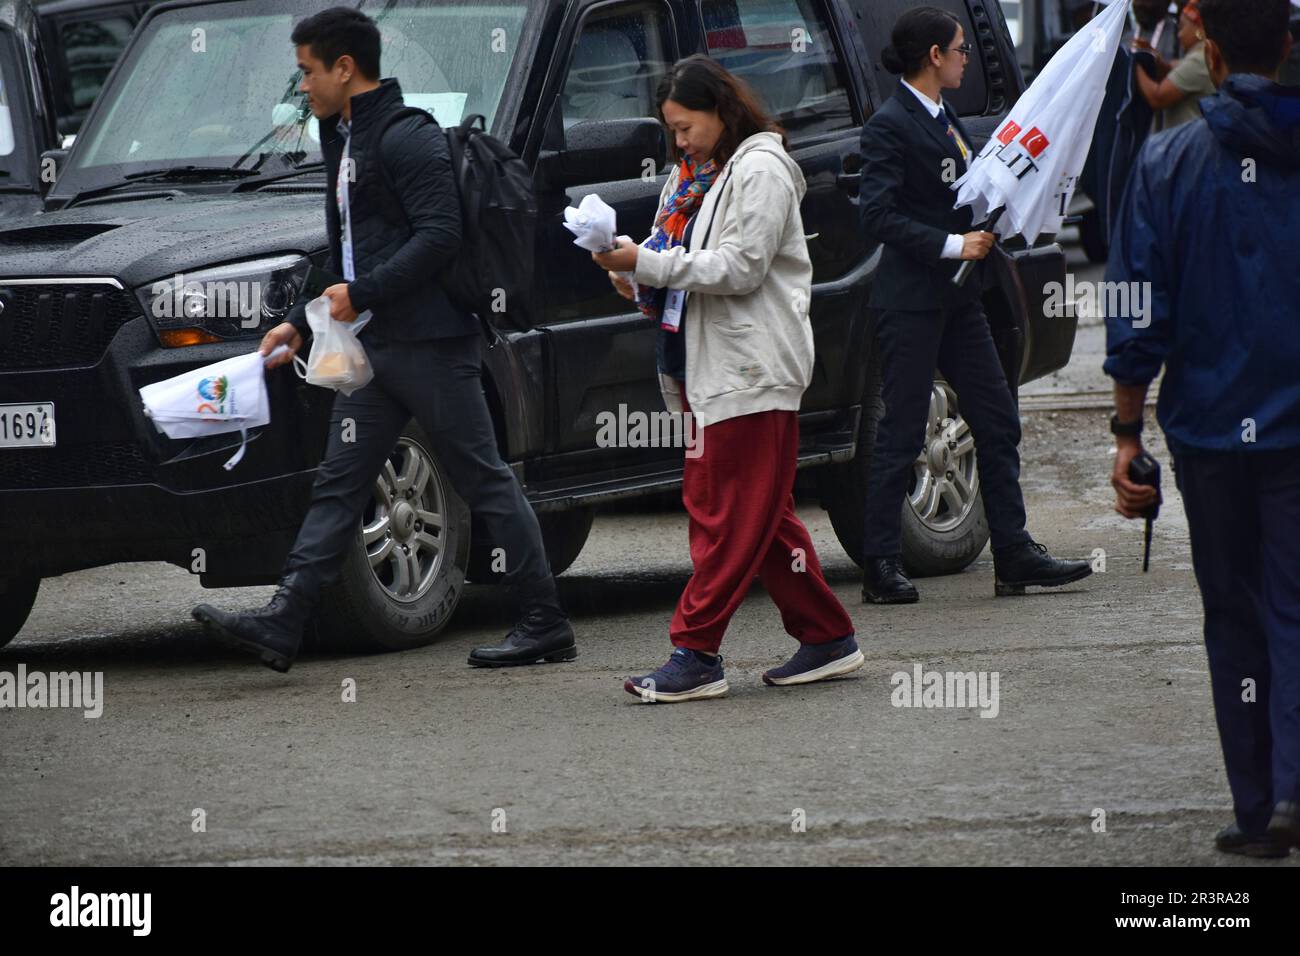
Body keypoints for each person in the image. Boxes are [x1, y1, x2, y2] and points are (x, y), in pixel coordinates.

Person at [193, 8, 576, 672]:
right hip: (375, 354)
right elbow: (346, 248)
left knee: (483, 479)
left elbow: (441, 234)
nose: (301, 86)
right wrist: (296, 319)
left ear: (346, 68)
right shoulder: (343, 137)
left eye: (308, 71)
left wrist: (362, 293)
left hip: (431, 346)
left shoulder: (405, 137)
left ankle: (544, 621)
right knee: (339, 484)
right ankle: (283, 622)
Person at [592, 55, 861, 703]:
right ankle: (827, 635)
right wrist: (631, 270)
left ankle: (696, 651)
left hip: (751, 367)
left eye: (686, 127)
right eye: (672, 131)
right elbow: (678, 263)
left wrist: (648, 265)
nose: (678, 142)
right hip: (702, 363)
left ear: (721, 109)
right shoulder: (691, 177)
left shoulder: (762, 170)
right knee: (757, 515)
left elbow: (739, 269)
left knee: (725, 515)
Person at [1105, 0, 1300, 858]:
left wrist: (1125, 433)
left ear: (1210, 56)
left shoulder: (1168, 159)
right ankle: (1294, 788)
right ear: (1286, 48)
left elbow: (1136, 304)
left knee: (1235, 615)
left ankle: (1258, 808)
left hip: (1214, 429)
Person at [856, 7, 1091, 605]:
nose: (966, 57)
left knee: (995, 418)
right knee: (903, 431)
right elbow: (876, 215)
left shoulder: (946, 118)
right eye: (960, 49)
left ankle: (1013, 553)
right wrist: (951, 244)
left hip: (961, 300)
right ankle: (880, 562)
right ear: (933, 55)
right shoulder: (890, 125)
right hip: (911, 304)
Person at [1136, 1, 1218, 132]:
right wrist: (1155, 59)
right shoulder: (1200, 55)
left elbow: (1157, 97)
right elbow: (1173, 72)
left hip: (1188, 143)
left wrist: (1135, 63)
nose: (1179, 35)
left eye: (1182, 28)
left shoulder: (1198, 60)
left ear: (1199, 30)